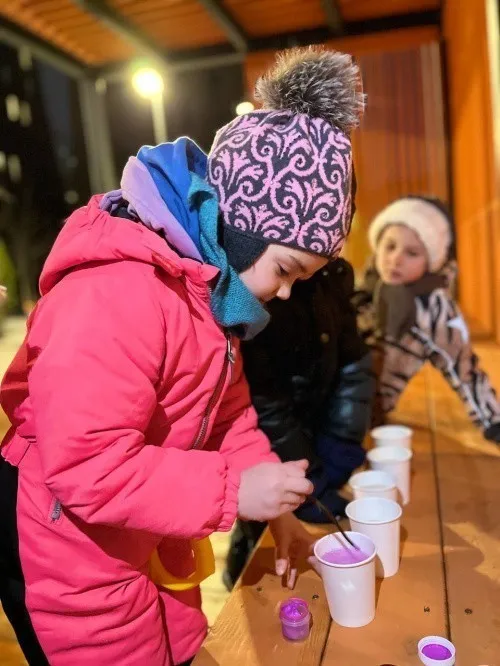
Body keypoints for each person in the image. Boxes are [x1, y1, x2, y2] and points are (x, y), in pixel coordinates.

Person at [0, 46, 364, 666]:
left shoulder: (206, 293)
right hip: (63, 544)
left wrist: (275, 507)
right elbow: (87, 466)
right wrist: (233, 491)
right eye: (285, 270)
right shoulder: (117, 292)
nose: (284, 293)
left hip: (142, 522)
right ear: (241, 228)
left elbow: (228, 414)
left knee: (179, 641)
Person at [224, 246, 374, 589]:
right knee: (260, 539)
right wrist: (309, 475)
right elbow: (261, 404)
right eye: (284, 270)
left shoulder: (332, 278)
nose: (286, 289)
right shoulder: (256, 293)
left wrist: (342, 438)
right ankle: (239, 577)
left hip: (313, 436)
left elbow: (353, 364)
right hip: (271, 451)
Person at [356, 195, 500, 442]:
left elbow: (463, 369)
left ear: (431, 261)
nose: (396, 259)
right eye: (389, 246)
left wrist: (493, 423)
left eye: (412, 253)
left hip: (367, 410)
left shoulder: (434, 308)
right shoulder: (363, 287)